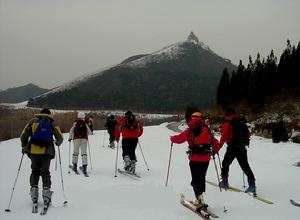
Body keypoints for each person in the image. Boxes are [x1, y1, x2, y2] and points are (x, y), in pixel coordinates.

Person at [170, 112, 220, 211]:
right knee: (201, 178)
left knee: (195, 179)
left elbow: (180, 139)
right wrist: (215, 152)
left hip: (195, 158)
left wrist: (172, 138)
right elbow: (215, 143)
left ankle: (199, 200)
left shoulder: (190, 129)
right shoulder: (206, 129)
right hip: (206, 158)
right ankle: (200, 198)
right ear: (201, 118)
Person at [20, 108, 64, 206]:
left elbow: (23, 135)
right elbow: (60, 137)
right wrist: (57, 143)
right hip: (47, 152)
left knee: (35, 170)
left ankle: (34, 192)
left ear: (40, 113)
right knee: (45, 171)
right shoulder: (52, 123)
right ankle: (46, 193)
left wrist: (24, 146)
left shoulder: (33, 121)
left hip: (34, 151)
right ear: (49, 114)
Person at [218, 106, 256, 194]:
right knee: (245, 166)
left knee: (225, 163)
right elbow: (248, 134)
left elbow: (224, 136)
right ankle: (252, 185)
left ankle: (224, 182)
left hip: (232, 147)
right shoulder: (241, 122)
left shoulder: (227, 123)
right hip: (242, 147)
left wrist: (218, 147)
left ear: (227, 114)